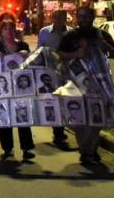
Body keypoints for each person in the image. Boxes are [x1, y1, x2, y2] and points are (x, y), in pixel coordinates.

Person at [58, 6, 114, 165]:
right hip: (77, 85)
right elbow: (59, 55)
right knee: (81, 121)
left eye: (86, 16)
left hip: (100, 85)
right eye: (80, 16)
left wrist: (106, 47)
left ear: (92, 17)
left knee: (97, 120)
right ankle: (86, 150)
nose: (83, 19)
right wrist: (76, 54)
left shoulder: (102, 35)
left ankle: (89, 151)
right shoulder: (71, 36)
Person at [0, 18, 35, 160]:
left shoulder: (23, 45)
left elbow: (31, 64)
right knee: (4, 116)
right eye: (5, 28)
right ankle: (7, 148)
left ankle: (26, 148)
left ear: (15, 30)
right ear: (0, 31)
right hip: (2, 87)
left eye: (11, 28)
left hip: (20, 87)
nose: (8, 31)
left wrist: (25, 55)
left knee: (22, 115)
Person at [36, 9, 72, 149]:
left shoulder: (70, 32)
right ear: (52, 18)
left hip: (66, 72)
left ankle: (60, 130)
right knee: (53, 102)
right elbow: (40, 50)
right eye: (55, 17)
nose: (58, 20)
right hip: (49, 73)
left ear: (65, 18)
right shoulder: (44, 32)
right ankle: (57, 132)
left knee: (64, 102)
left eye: (61, 17)